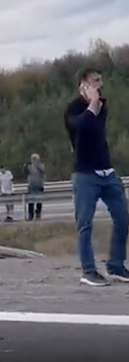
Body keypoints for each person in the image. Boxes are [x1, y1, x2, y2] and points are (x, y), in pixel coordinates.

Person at [65, 67, 129, 286]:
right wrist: (92, 103)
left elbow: (95, 129)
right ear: (83, 86)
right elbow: (82, 127)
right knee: (84, 223)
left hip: (106, 171)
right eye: (95, 81)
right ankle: (88, 270)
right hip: (85, 173)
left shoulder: (102, 107)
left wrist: (96, 103)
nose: (100, 85)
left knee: (122, 216)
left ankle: (116, 265)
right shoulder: (72, 109)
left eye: (100, 80)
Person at [26, 154, 45, 220]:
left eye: (35, 159)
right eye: (33, 159)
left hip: (39, 185)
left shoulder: (41, 166)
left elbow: (42, 171)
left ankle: (38, 214)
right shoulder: (29, 167)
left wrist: (37, 165)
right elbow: (25, 172)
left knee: (39, 201)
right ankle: (30, 215)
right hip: (32, 185)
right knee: (31, 201)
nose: (34, 160)